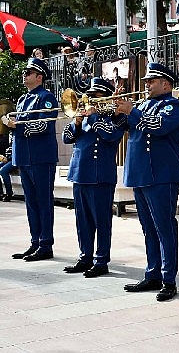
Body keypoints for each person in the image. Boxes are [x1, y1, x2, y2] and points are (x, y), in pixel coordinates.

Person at [117, 62, 179, 302]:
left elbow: (157, 127)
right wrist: (113, 110)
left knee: (164, 227)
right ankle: (153, 273)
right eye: (146, 80)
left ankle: (169, 279)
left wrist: (131, 111)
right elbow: (121, 127)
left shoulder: (174, 106)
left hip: (162, 175)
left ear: (165, 84)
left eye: (151, 81)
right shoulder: (143, 105)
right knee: (148, 229)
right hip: (141, 175)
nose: (146, 84)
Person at [61, 78, 126, 278]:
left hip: (100, 176)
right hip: (80, 173)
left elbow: (111, 136)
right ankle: (85, 257)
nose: (91, 101)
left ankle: (101, 260)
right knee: (83, 221)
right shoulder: (84, 118)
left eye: (97, 97)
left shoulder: (117, 118)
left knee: (101, 221)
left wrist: (95, 116)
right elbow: (66, 137)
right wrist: (76, 122)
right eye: (91, 97)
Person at [4, 58, 59, 261]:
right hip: (24, 156)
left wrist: (16, 126)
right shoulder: (22, 99)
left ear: (39, 76)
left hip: (40, 157)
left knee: (43, 201)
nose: (24, 74)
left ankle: (46, 244)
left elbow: (43, 125)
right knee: (31, 203)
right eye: (25, 72)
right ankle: (35, 241)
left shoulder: (46, 98)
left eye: (29, 72)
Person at [0, 132, 14, 202]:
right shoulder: (8, 135)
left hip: (15, 159)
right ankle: (0, 193)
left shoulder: (16, 134)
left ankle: (9, 193)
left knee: (3, 171)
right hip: (8, 158)